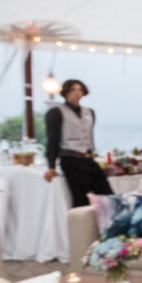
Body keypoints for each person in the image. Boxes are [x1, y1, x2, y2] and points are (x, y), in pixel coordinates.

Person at [43, 78, 112, 207]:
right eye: (73, 90)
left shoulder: (90, 112)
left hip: (88, 158)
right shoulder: (56, 113)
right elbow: (52, 140)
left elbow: (88, 134)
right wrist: (51, 166)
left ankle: (108, 224)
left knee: (107, 195)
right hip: (70, 159)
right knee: (81, 199)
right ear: (66, 92)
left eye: (80, 89)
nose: (77, 93)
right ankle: (81, 225)